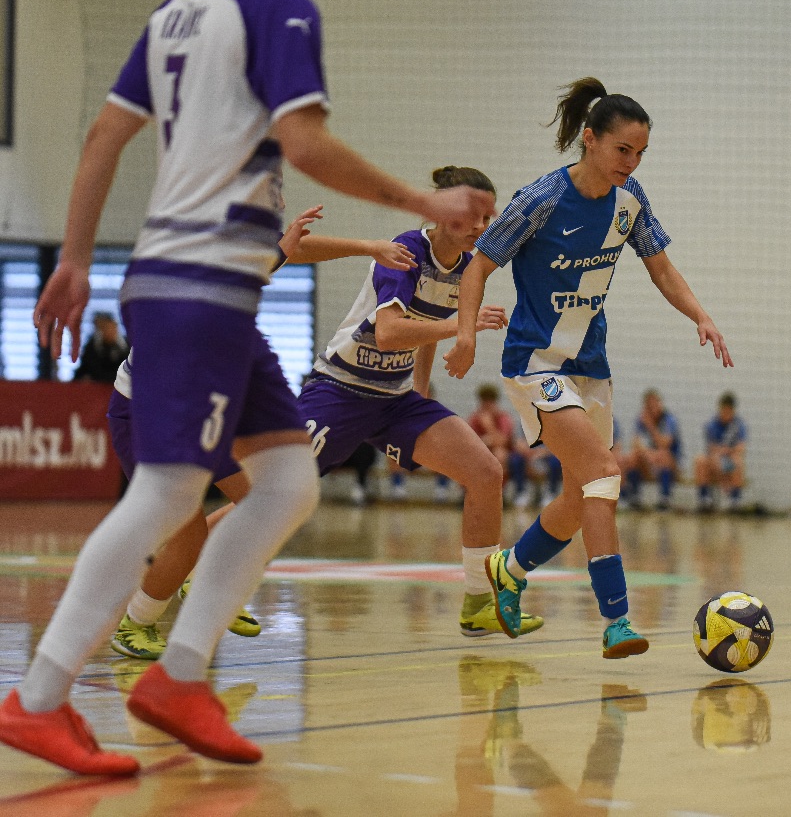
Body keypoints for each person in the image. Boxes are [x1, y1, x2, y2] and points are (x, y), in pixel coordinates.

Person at [0, 0, 493, 776]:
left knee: (288, 483)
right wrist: (419, 203)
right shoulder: (276, 5)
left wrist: (78, 258)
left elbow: (104, 137)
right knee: (170, 493)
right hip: (198, 283)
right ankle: (40, 697)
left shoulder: (177, 9)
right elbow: (307, 145)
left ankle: (178, 678)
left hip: (210, 289)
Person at [444, 77, 732, 658]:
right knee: (605, 472)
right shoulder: (542, 199)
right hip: (535, 361)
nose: (632, 162)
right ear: (591, 140)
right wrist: (466, 333)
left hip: (590, 364)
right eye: (623, 149)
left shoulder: (630, 201)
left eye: (641, 153)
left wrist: (701, 315)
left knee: (581, 498)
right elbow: (478, 266)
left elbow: (661, 268)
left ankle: (509, 569)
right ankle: (617, 620)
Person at [108, 206, 419, 661]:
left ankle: (206, 580)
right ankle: (135, 622)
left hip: (195, 415)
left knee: (269, 501)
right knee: (188, 534)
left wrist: (367, 247)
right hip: (147, 416)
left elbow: (290, 250)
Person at [297, 165, 542, 640]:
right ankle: (193, 571)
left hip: (394, 399)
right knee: (278, 493)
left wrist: (421, 397)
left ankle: (479, 604)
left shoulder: (469, 268)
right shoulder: (406, 250)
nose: (480, 227)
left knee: (486, 473)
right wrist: (463, 327)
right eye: (472, 215)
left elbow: (424, 333)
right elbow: (389, 334)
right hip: (342, 389)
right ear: (443, 210)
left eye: (487, 217)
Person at [623, 388, 682, 511]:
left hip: (670, 465)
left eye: (656, 403)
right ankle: (635, 496)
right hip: (650, 462)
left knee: (664, 455)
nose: (654, 407)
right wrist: (648, 454)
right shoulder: (641, 420)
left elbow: (665, 444)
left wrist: (650, 426)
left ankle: (665, 499)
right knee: (633, 457)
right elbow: (635, 443)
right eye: (650, 405)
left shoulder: (669, 420)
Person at [694, 391, 748, 513]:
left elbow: (741, 448)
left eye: (728, 412)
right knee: (700, 460)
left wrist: (726, 451)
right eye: (723, 411)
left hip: (729, 462)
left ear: (733, 411)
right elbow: (712, 448)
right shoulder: (712, 424)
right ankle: (704, 500)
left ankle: (734, 501)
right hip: (715, 462)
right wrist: (723, 452)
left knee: (737, 461)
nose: (725, 414)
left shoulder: (739, 425)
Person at [72, 312, 129, 383]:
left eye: (107, 327)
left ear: (115, 325)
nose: (106, 331)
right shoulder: (92, 347)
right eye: (100, 328)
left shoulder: (127, 345)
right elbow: (88, 369)